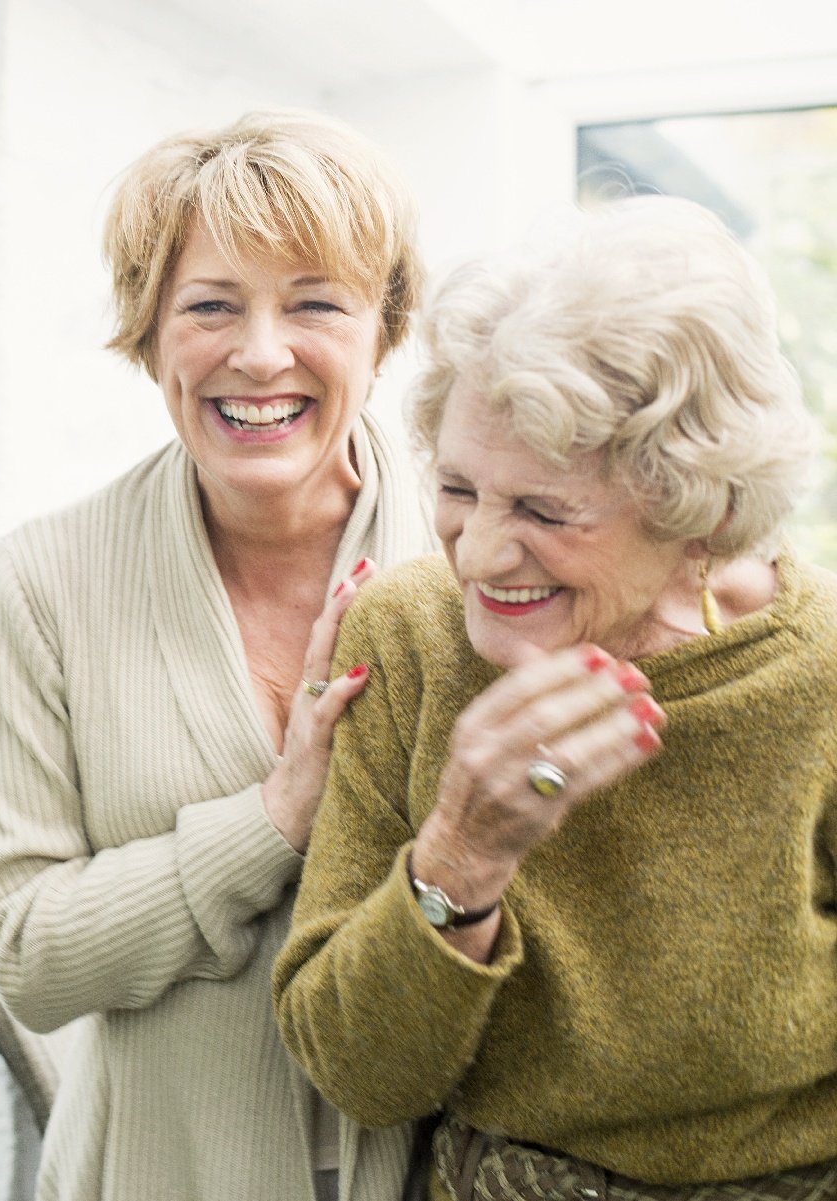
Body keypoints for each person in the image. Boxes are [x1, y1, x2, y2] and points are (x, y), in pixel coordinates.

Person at [272, 196, 837, 1200]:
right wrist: (462, 855)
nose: (481, 553)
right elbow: (356, 1070)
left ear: (694, 512)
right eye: (458, 489)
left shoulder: (816, 673)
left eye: (544, 508)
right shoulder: (408, 638)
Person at [0, 110, 430, 1201]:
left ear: (383, 328)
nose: (260, 353)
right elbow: (24, 954)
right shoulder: (47, 581)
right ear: (149, 330)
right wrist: (274, 819)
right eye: (210, 306)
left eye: (315, 303)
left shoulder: (471, 560)